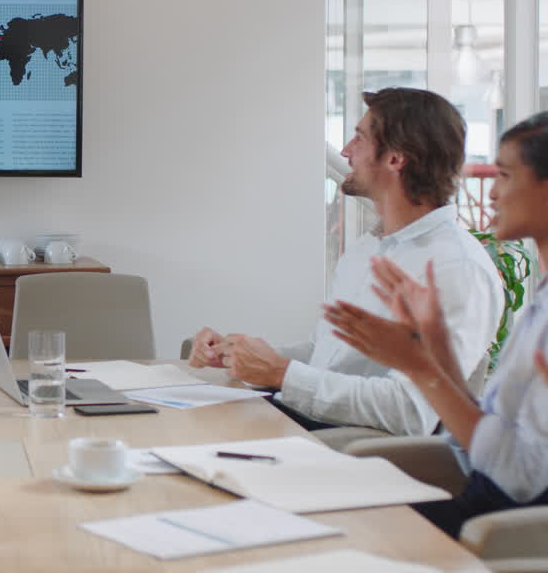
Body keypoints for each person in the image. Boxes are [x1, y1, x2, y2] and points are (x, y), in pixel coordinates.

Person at [189, 87, 501, 436]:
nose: (345, 152)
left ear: (396, 159)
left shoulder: (456, 268)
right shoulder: (368, 249)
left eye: (359, 139)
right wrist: (245, 357)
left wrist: (281, 373)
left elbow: (412, 410)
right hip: (302, 422)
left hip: (350, 448)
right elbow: (328, 355)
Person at [323, 111, 548, 537]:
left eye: (504, 175)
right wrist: (436, 347)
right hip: (476, 499)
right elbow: (489, 437)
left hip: (496, 527)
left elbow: (517, 477)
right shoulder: (540, 301)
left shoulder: (461, 264)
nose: (492, 193)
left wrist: (421, 365)